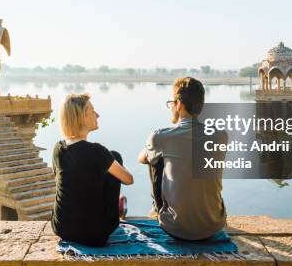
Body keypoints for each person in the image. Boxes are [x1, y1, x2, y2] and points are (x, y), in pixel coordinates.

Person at [138, 77, 227, 241]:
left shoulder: (161, 136)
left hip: (175, 228)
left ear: (178, 104)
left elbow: (141, 158)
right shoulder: (220, 135)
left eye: (172, 102)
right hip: (213, 225)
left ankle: (159, 211)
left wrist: (154, 146)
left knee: (155, 161)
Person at [52, 93, 134, 247]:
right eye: (92, 111)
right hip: (95, 235)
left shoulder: (58, 149)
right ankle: (116, 209)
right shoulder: (97, 151)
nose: (97, 114)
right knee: (115, 156)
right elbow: (129, 180)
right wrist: (118, 166)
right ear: (82, 117)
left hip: (61, 227)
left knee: (99, 167)